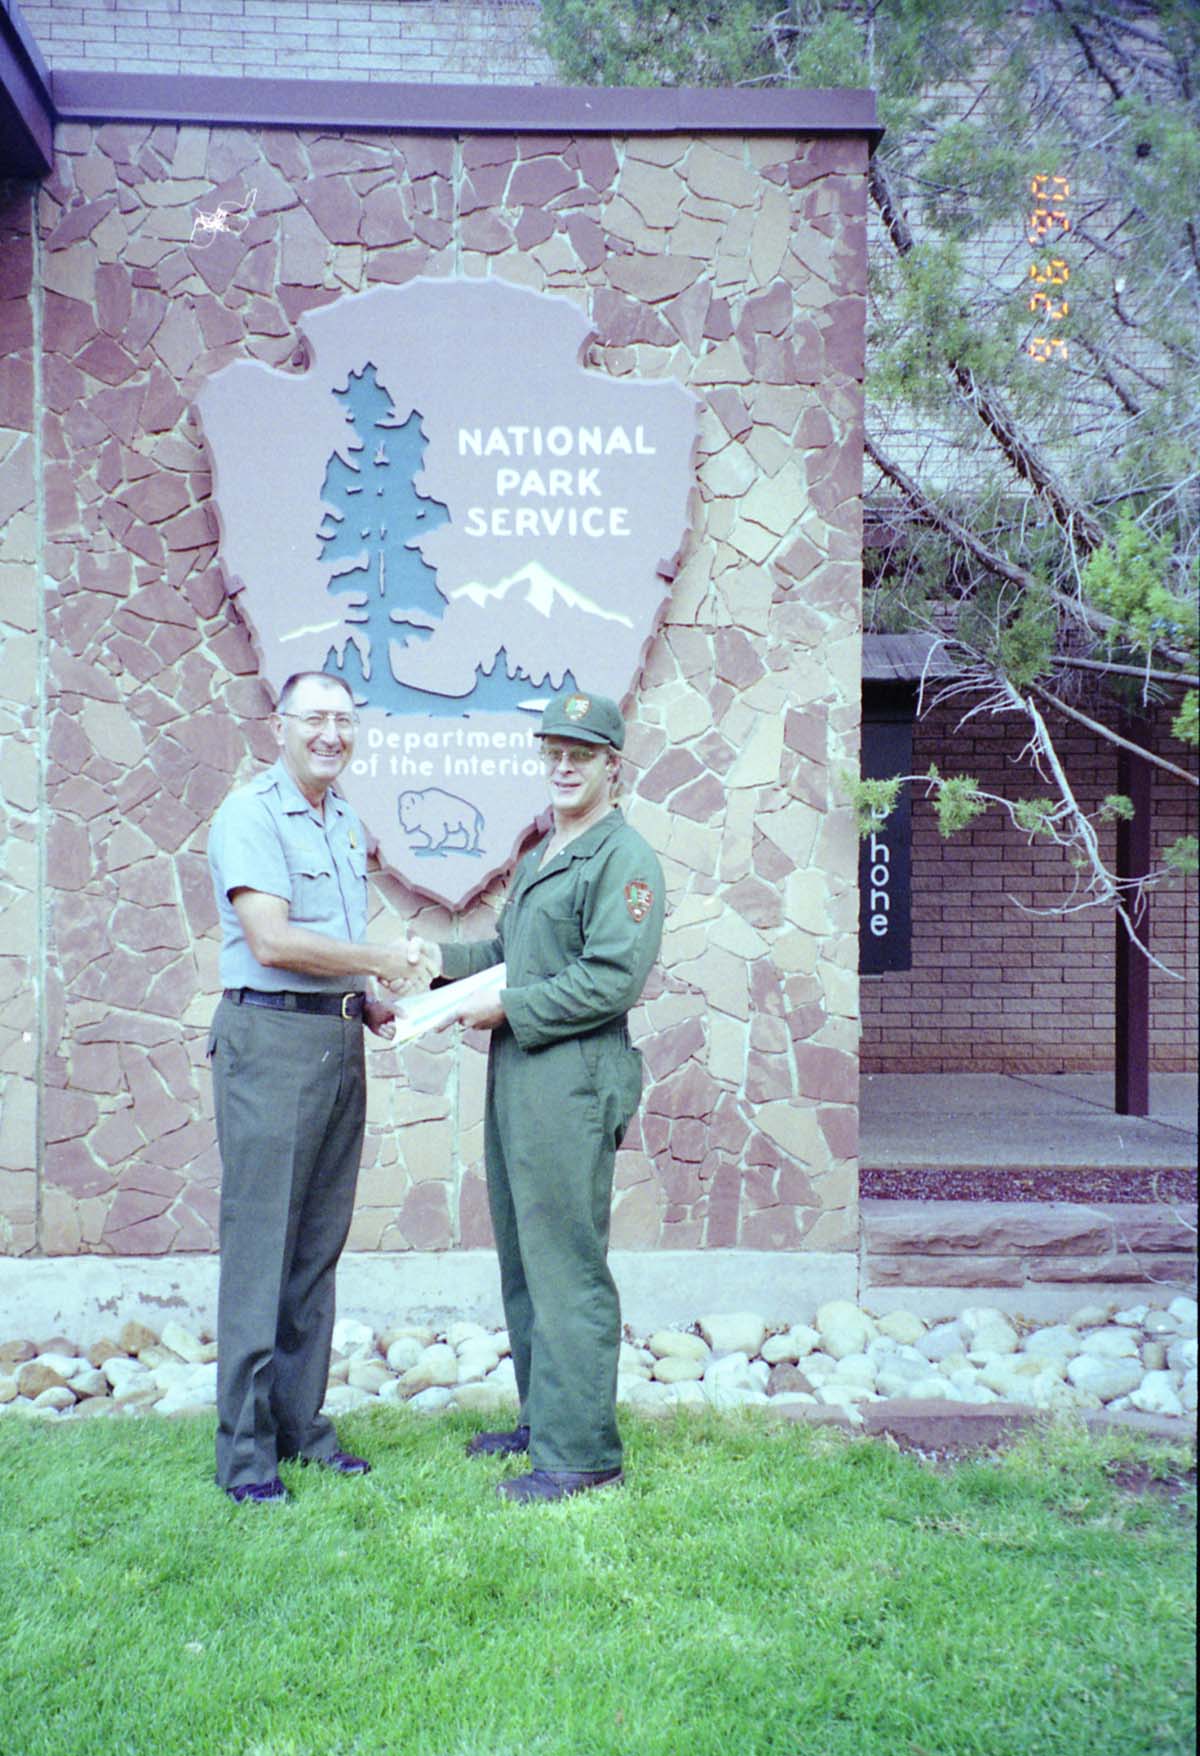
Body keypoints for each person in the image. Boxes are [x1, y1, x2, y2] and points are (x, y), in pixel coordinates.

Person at [417, 691, 665, 1503]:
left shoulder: (622, 859)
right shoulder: (547, 852)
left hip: (572, 1077)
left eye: (580, 754)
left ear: (611, 766)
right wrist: (434, 965)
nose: (563, 765)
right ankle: (545, 1420)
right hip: (523, 1072)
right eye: (553, 751)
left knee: (566, 1263)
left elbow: (610, 979)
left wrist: (506, 1008)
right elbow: (508, 951)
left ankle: (582, 1453)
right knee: (526, 1259)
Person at [206, 670, 421, 1505]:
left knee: (315, 1250)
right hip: (269, 1042)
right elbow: (270, 939)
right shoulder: (251, 814)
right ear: (281, 726)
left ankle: (301, 1426)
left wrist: (368, 1003)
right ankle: (246, 1457)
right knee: (262, 1250)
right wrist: (378, 960)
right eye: (316, 719)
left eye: (344, 720)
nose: (332, 734)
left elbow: (327, 944)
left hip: (333, 1039)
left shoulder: (343, 821)